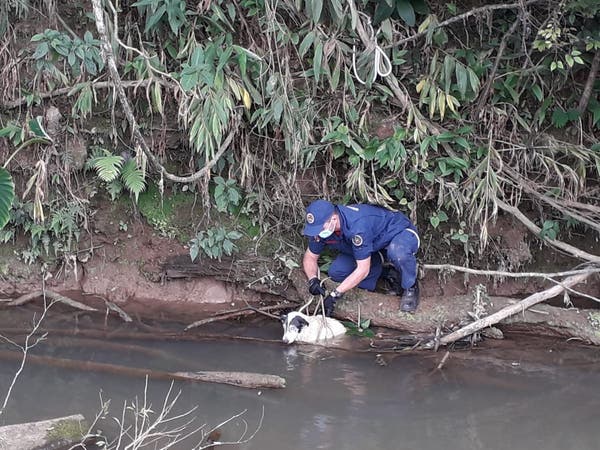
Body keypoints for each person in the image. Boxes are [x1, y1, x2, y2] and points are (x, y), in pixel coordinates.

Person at [302, 199, 420, 317]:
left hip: (399, 233)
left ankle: (410, 285)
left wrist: (335, 295)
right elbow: (310, 256)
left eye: (320, 229)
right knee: (337, 272)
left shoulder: (357, 226)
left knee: (398, 252)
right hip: (373, 245)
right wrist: (313, 279)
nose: (317, 233)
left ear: (333, 219)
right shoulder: (321, 230)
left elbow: (362, 269)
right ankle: (388, 273)